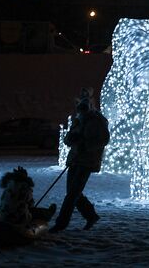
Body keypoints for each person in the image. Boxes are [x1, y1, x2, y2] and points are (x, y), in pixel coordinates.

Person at [50, 88, 110, 232]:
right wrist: (71, 139)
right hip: (75, 159)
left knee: (72, 194)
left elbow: (104, 140)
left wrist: (86, 145)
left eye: (84, 108)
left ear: (90, 107)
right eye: (80, 109)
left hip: (87, 161)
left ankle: (61, 224)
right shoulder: (78, 121)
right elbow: (68, 138)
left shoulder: (98, 121)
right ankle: (91, 215)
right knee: (73, 192)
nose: (81, 111)